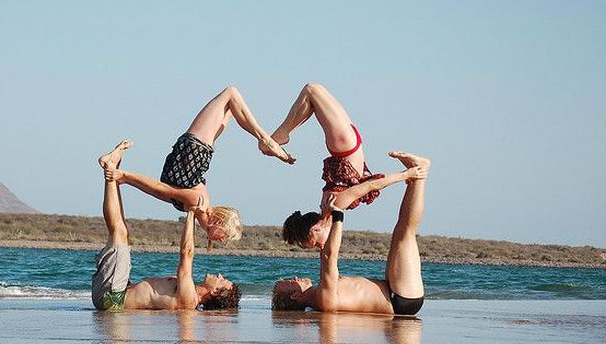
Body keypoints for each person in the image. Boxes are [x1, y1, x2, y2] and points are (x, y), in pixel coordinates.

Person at [102, 86, 295, 245]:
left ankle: (265, 139)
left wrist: (124, 178)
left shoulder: (195, 207)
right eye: (225, 236)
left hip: (193, 154)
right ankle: (265, 139)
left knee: (230, 100)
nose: (224, 240)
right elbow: (159, 188)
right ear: (218, 222)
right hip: (194, 154)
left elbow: (159, 192)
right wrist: (124, 176)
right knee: (231, 96)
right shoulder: (197, 202)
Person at [272, 152, 430, 316]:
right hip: (400, 299)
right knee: (404, 233)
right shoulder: (323, 298)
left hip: (393, 290)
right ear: (296, 295)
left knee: (401, 233)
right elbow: (329, 256)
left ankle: (417, 176)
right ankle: (420, 174)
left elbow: (327, 256)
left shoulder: (320, 293)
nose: (295, 277)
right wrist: (338, 215)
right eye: (290, 282)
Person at [92, 140, 241, 311]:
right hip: (118, 293)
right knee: (121, 233)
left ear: (215, 292)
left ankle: (111, 170)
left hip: (113, 300)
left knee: (118, 232)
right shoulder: (189, 292)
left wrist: (191, 213)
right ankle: (114, 169)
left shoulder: (189, 299)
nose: (220, 275)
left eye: (222, 280)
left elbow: (187, 253)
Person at [272, 83, 415, 249]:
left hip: (345, 147)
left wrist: (407, 174)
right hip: (347, 145)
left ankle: (282, 134)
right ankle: (283, 134)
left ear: (315, 228)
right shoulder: (331, 208)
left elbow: (373, 184)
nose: (322, 246)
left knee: (312, 90)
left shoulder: (336, 203)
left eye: (317, 244)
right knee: (312, 96)